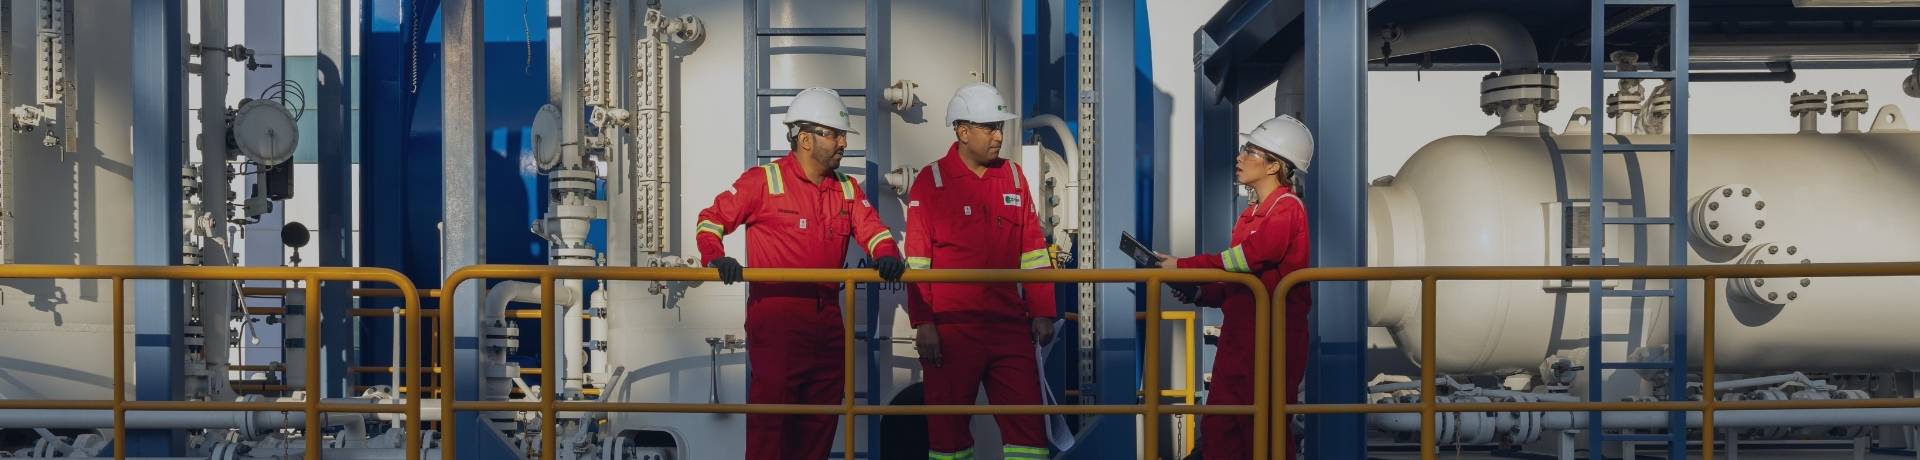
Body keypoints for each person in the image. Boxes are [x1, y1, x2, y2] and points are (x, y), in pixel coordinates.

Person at [693, 87, 907, 460]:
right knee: (770, 422)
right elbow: (710, 220)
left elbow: (874, 231)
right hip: (777, 317)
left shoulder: (846, 189)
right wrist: (715, 258)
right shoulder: (763, 181)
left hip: (826, 318)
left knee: (821, 419)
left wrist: (887, 254)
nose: (843, 142)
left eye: (843, 135)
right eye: (835, 134)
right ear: (804, 138)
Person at [902, 82, 1057, 460]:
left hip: (1008, 328)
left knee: (1029, 434)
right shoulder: (932, 180)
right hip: (950, 331)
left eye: (1000, 127)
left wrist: (1042, 312)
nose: (998, 136)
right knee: (948, 437)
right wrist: (924, 324)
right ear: (962, 130)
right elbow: (918, 259)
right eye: (989, 127)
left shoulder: (1016, 179)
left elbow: (1034, 251)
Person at [1159, 115, 1315, 460]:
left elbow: (1249, 259)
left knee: (1265, 430)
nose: (1239, 157)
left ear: (1274, 165)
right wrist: (1200, 292)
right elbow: (1238, 280)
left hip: (1274, 340)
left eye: (1250, 151)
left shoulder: (1287, 210)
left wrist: (1184, 265)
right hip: (1240, 338)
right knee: (1221, 426)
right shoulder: (1252, 213)